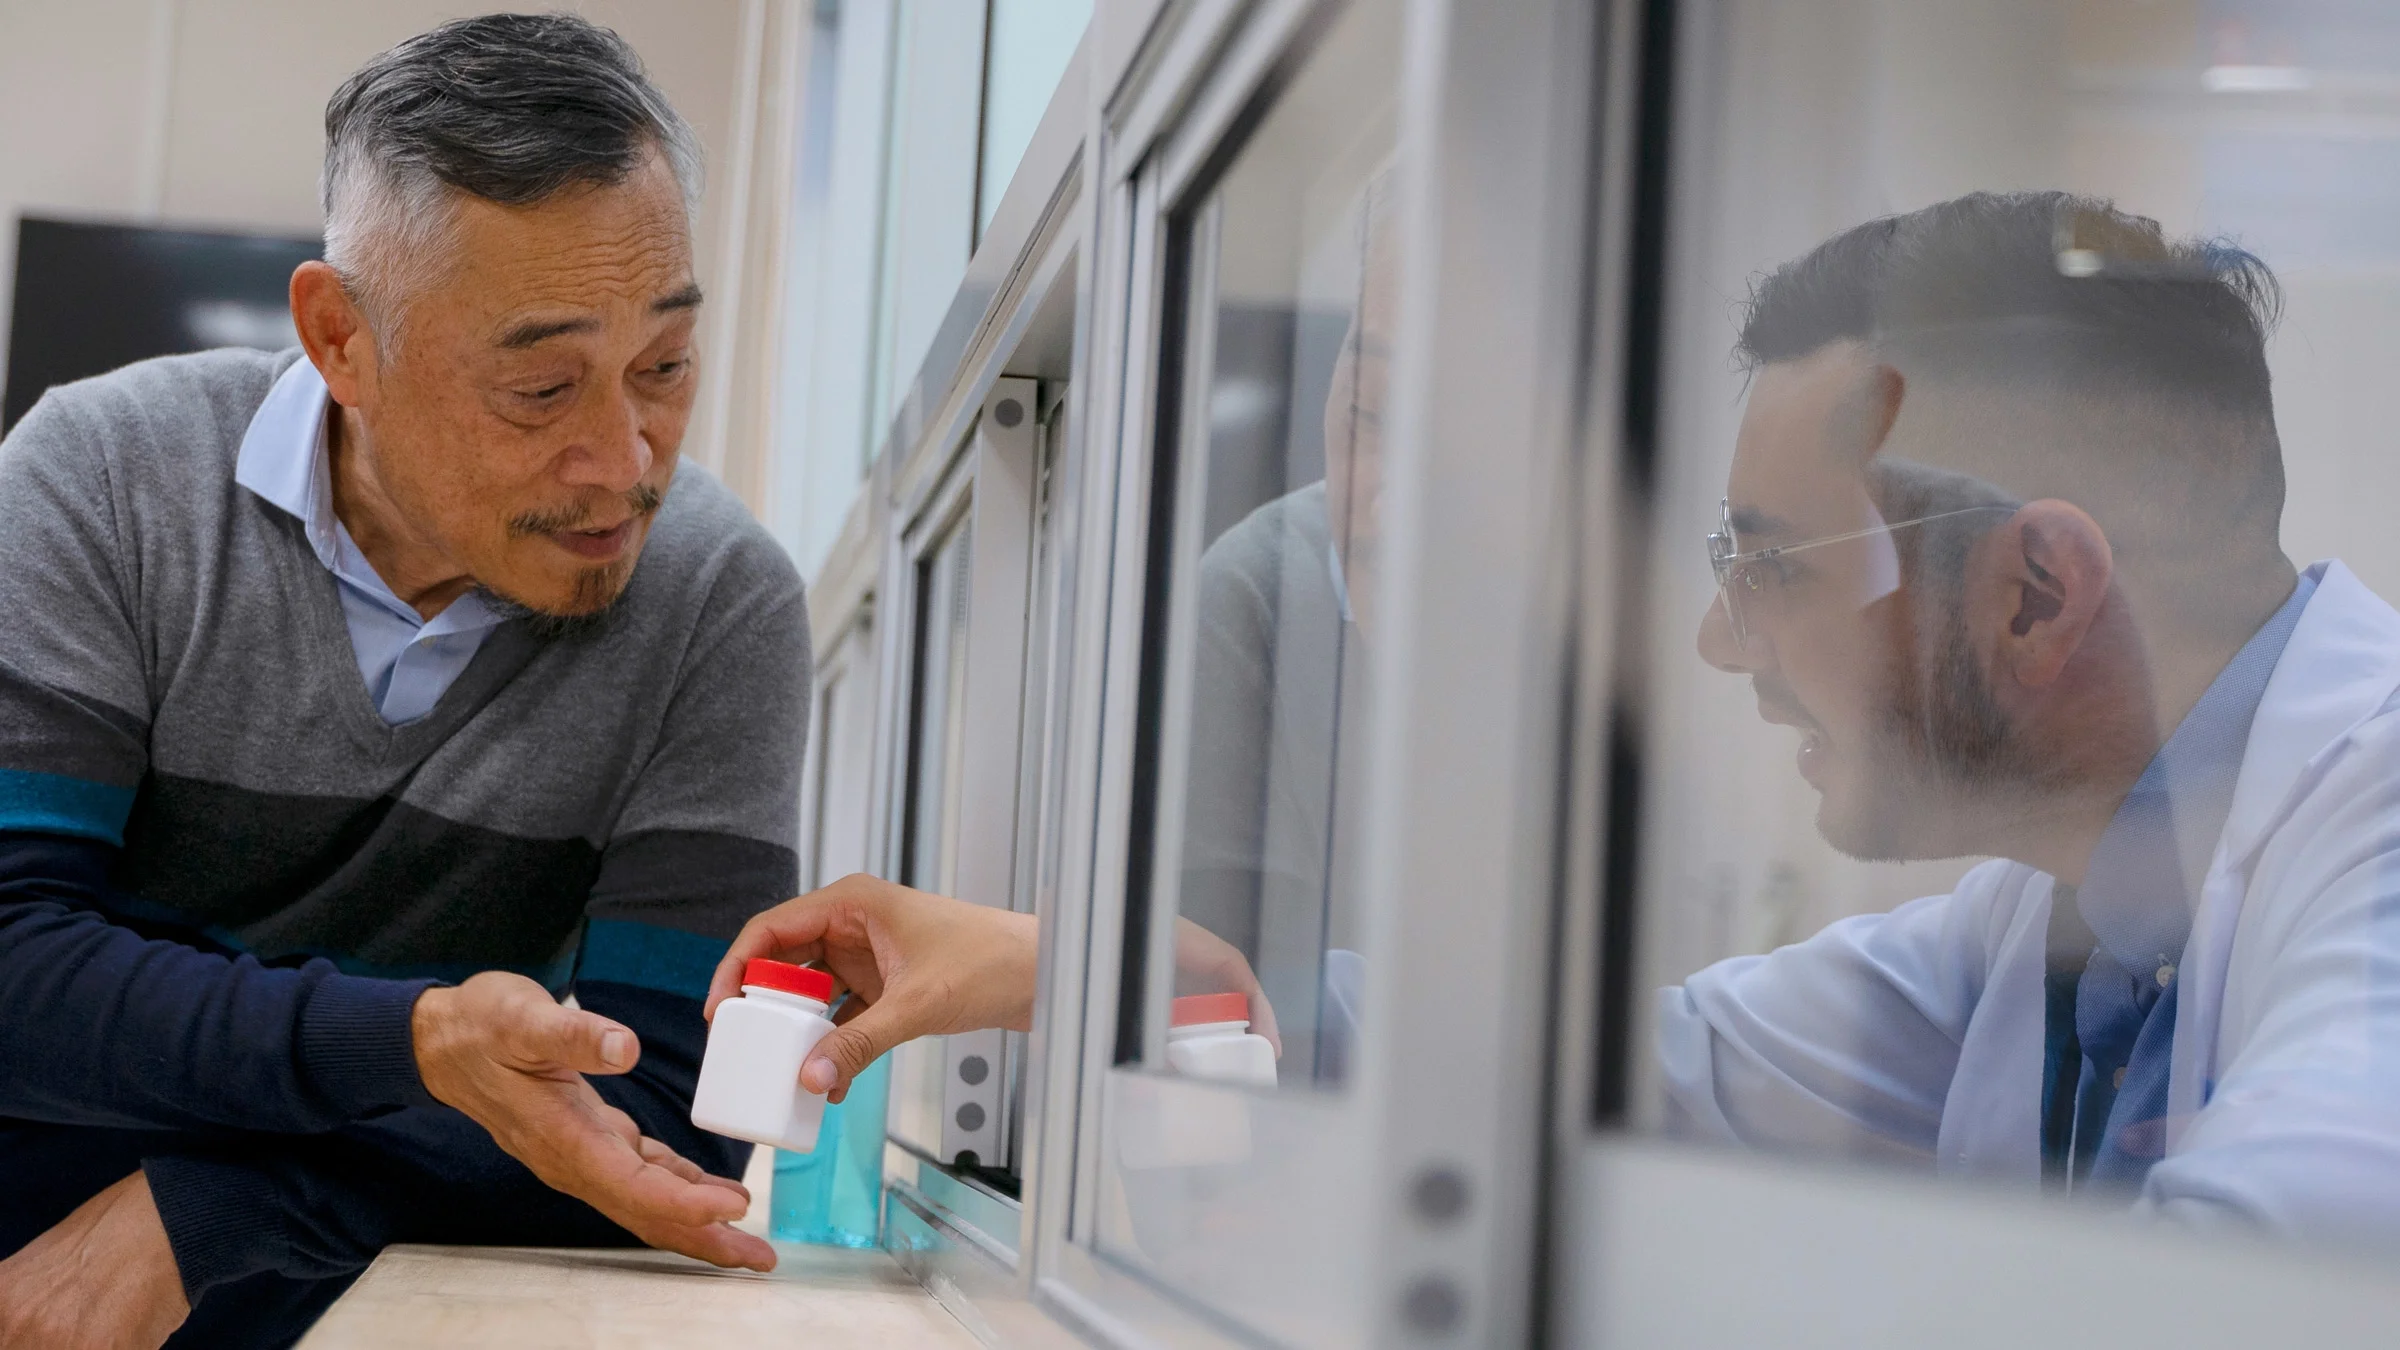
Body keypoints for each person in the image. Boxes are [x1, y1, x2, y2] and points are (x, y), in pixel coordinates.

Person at [717, 191, 2400, 1248]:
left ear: (2037, 594)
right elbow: (1625, 1070)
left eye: (1769, 562)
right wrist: (1046, 959)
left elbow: (2273, 1269)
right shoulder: (2046, 922)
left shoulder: (2374, 827)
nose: (1719, 636)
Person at [0, 16, 805, 1348]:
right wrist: (415, 1042)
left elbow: (665, 1133)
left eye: (663, 365)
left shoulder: (718, 602)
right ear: (340, 338)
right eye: (543, 387)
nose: (625, 457)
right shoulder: (97, 484)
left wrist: (217, 1207)